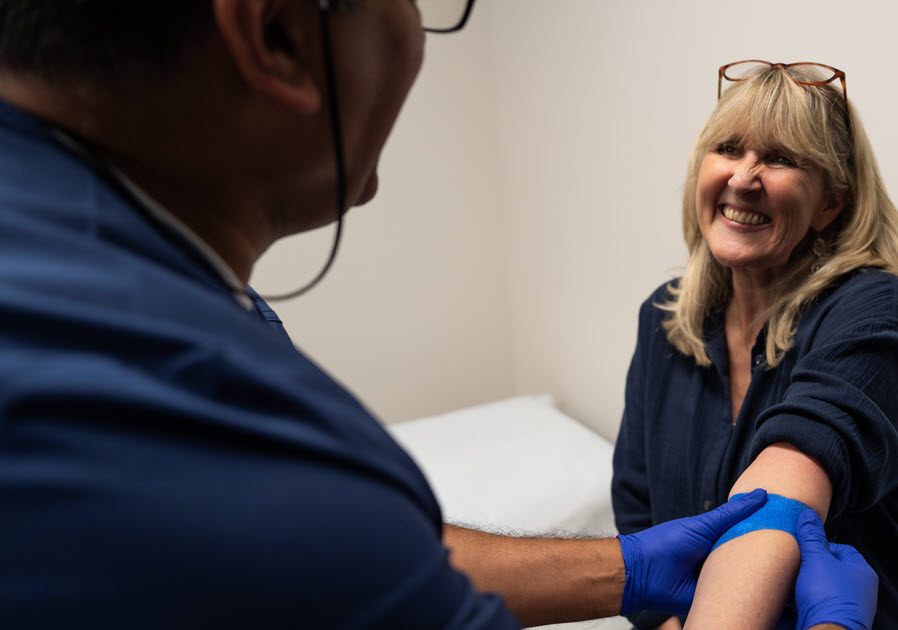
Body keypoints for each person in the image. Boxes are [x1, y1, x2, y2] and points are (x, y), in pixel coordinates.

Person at [0, 2, 776, 627]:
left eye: (780, 159)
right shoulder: (185, 397)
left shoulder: (106, 278)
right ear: (276, 34)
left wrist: (629, 568)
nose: (745, 178)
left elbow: (335, 548)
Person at [611, 61, 898, 629]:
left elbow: (780, 500)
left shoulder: (869, 306)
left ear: (830, 204)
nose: (743, 178)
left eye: (780, 159)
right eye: (728, 148)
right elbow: (637, 504)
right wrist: (665, 621)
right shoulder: (663, 319)